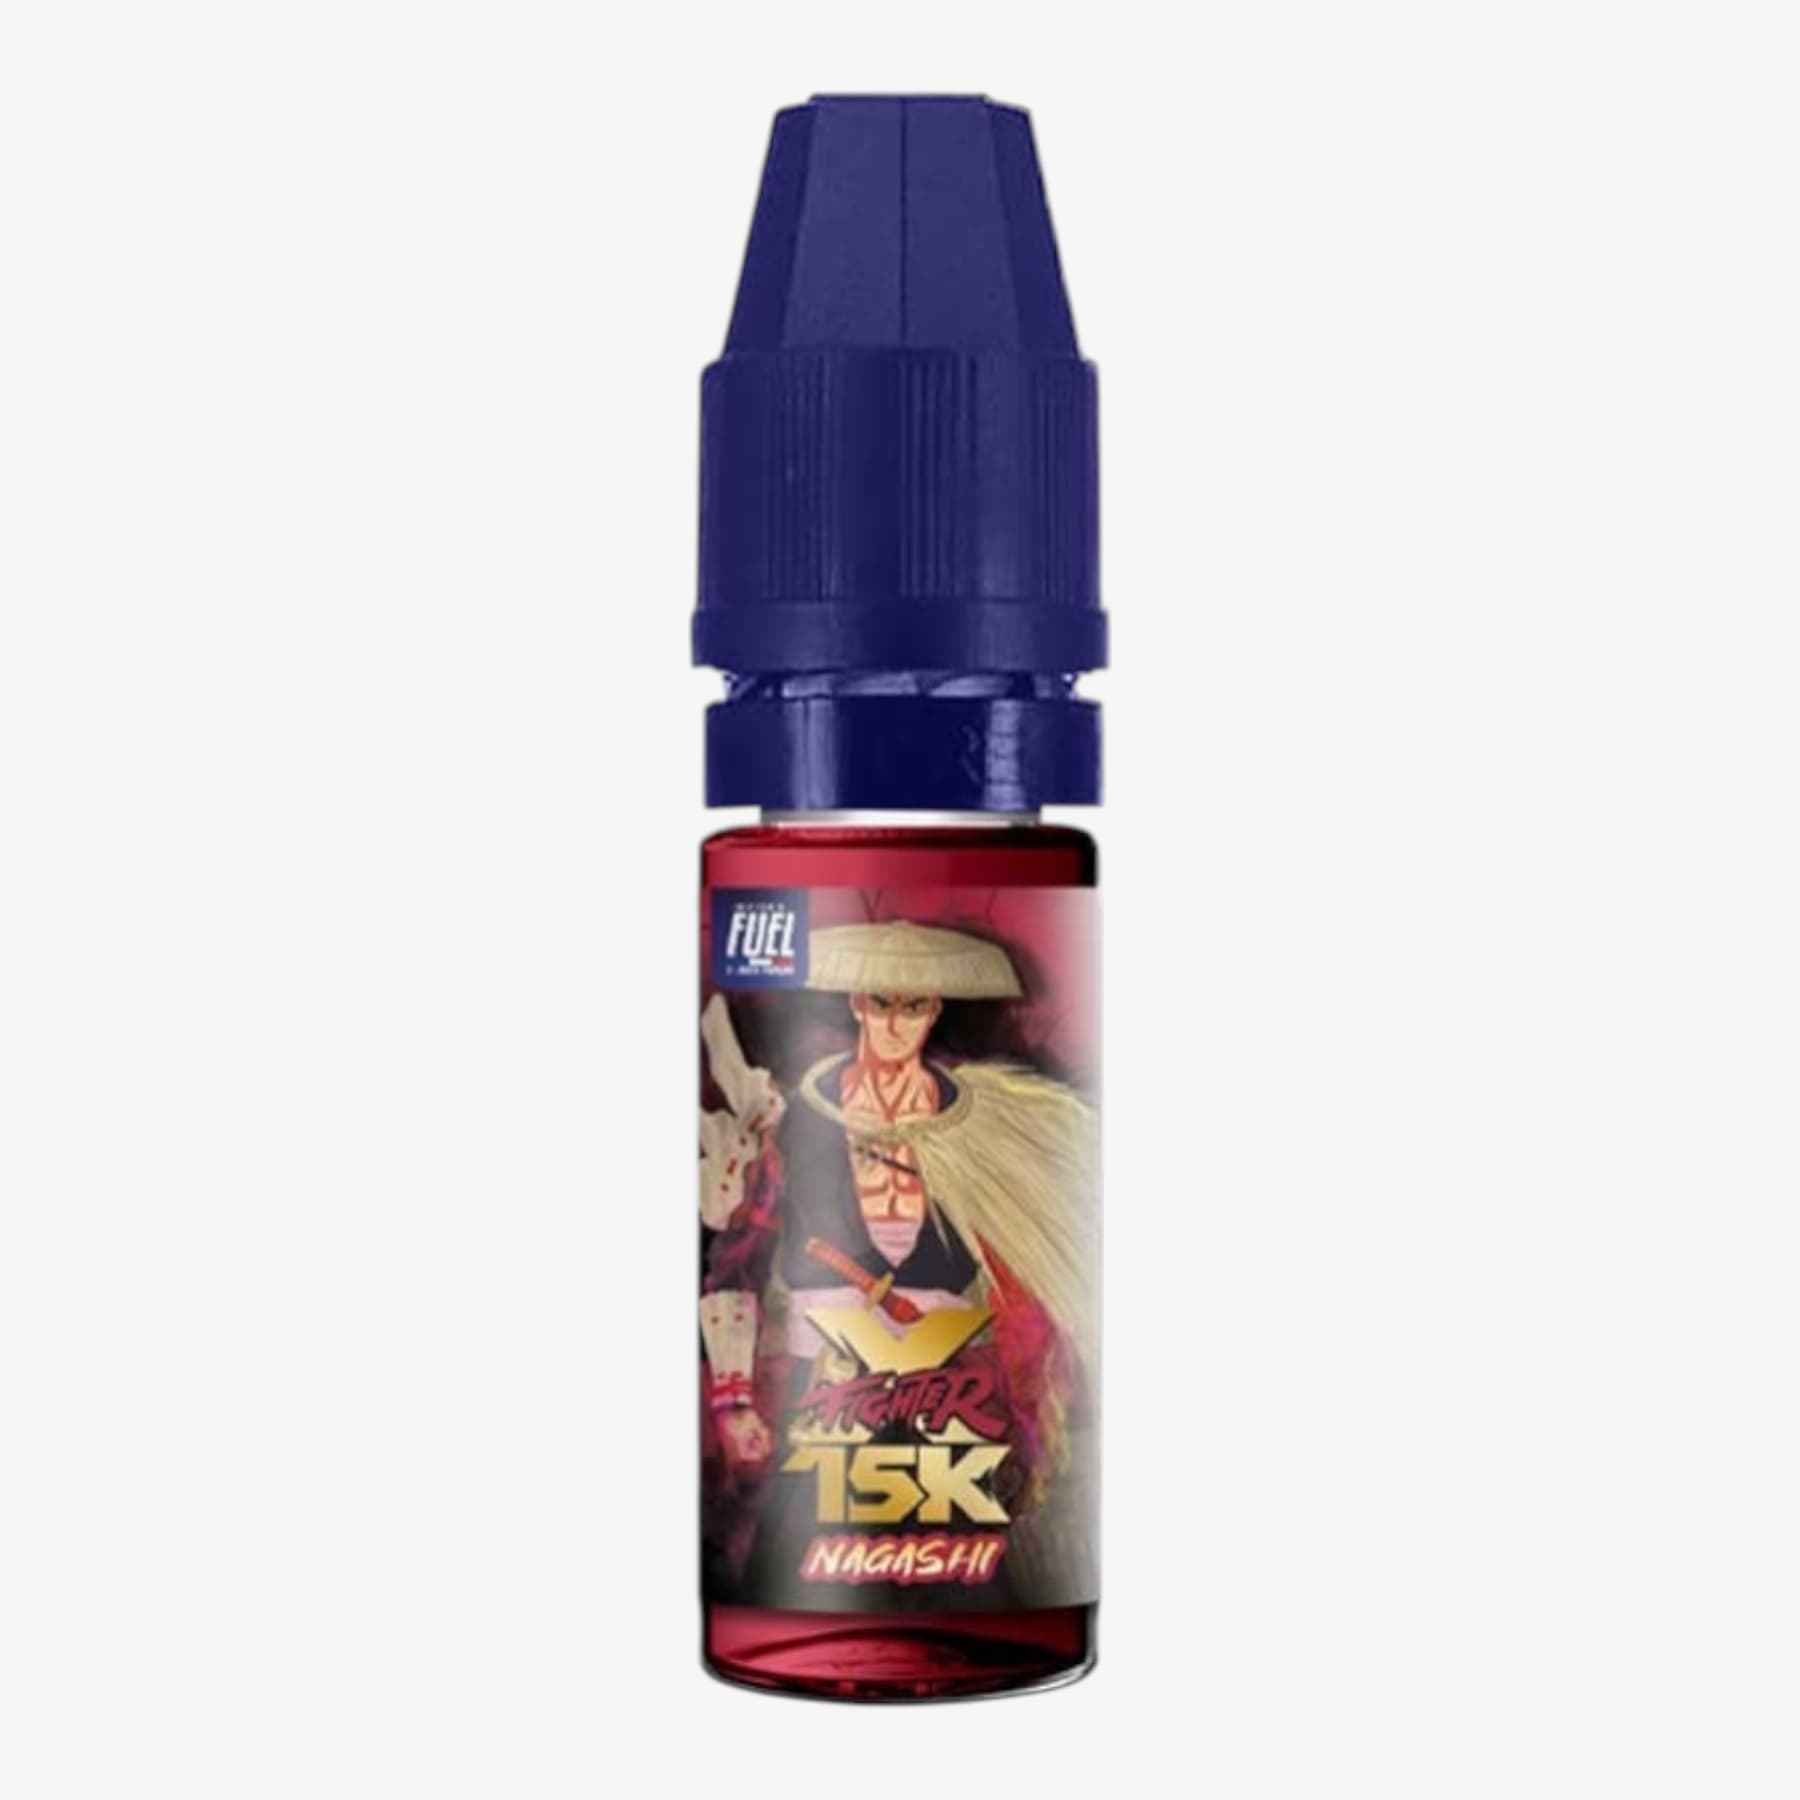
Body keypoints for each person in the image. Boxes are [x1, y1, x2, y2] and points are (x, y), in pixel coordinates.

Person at [699, 921, 1097, 1607]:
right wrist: (732, 1398)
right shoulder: (790, 1121)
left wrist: (1030, 1409)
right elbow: (740, 1255)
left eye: (912, 1006)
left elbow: (1026, 1278)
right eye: (881, 1002)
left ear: (933, 1010)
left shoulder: (981, 1123)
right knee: (795, 1571)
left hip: (949, 1385)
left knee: (974, 1588)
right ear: (858, 1004)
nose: (894, 1022)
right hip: (826, 1382)